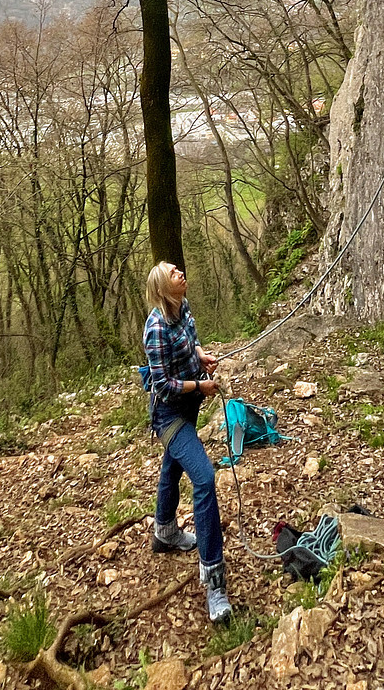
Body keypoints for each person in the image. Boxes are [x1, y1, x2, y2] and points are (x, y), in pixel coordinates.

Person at [143, 261, 233, 625]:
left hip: (190, 404)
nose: (180, 272)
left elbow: (190, 344)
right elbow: (162, 385)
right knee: (204, 477)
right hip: (168, 415)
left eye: (177, 269)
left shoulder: (184, 308)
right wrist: (200, 385)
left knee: (173, 465)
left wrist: (201, 356)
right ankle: (214, 581)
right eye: (172, 273)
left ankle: (164, 531)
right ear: (163, 289)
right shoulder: (155, 327)